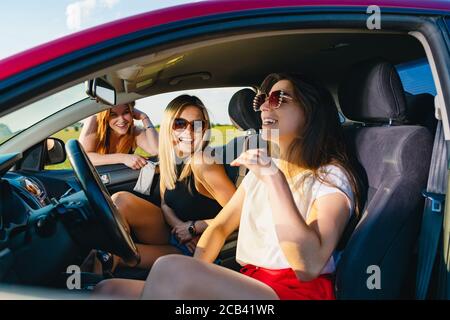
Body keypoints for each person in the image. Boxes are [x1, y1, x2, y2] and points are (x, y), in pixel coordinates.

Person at [96, 73, 363, 300]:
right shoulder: (265, 168)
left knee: (170, 269)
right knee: (110, 289)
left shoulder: (330, 176)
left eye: (277, 98)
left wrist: (274, 179)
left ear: (311, 110)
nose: (263, 108)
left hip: (291, 290)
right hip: (251, 280)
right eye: (261, 100)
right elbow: (221, 227)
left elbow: (309, 265)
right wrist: (194, 275)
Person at [94, 95, 236, 287]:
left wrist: (194, 227)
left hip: (199, 248)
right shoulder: (170, 161)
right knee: (120, 201)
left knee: (112, 261)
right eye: (180, 123)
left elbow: (242, 214)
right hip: (175, 235)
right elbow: (165, 204)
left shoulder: (204, 162)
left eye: (197, 125)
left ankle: (82, 290)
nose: (189, 132)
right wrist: (179, 227)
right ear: (169, 126)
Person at [79, 102, 159, 169]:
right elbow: (83, 158)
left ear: (132, 113)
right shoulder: (95, 123)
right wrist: (123, 158)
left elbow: (156, 150)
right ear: (106, 116)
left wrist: (144, 117)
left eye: (126, 112)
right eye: (113, 115)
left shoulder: (134, 131)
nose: (121, 120)